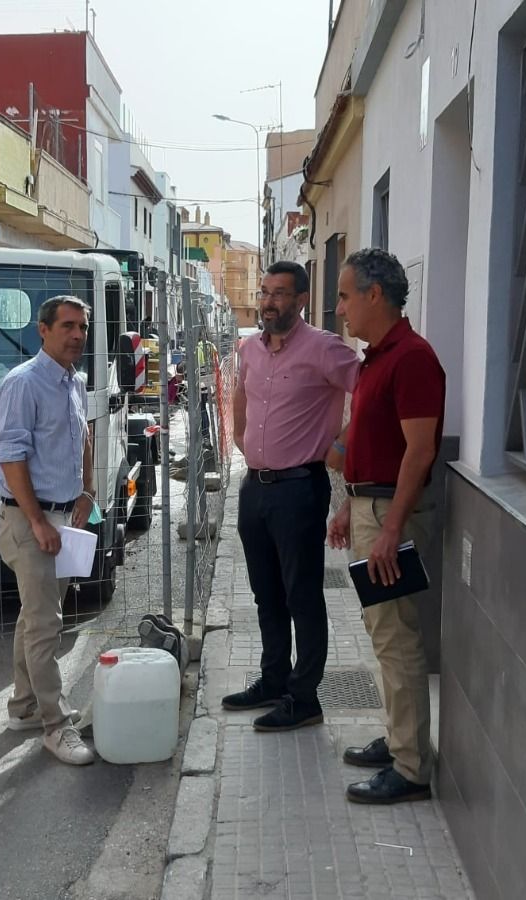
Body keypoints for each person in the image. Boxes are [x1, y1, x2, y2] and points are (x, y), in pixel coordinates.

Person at [326, 248, 445, 804]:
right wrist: (350, 503)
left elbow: (419, 453)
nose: (340, 307)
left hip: (390, 519)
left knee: (397, 641)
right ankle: (402, 739)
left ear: (376, 295)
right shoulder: (377, 358)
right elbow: (374, 445)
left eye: (346, 295)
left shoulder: (413, 358)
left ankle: (411, 766)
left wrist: (392, 527)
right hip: (370, 509)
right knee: (384, 635)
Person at [221, 261, 360, 730]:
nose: (268, 302)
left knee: (302, 595)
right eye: (264, 292)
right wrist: (243, 440)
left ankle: (305, 699)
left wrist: (341, 443)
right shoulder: (250, 349)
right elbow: (241, 394)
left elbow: (369, 393)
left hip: (300, 488)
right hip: (255, 488)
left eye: (279, 294)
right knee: (266, 593)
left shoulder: (325, 349)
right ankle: (274, 679)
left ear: (300, 299)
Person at [0, 295, 98, 766]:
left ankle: (24, 706)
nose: (77, 335)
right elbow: (11, 456)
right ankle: (56, 727)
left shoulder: (73, 381)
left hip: (63, 517)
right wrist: (37, 520)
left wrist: (87, 492)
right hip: (28, 520)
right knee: (46, 625)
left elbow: (85, 437)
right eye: (68, 326)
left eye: (83, 327)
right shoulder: (24, 384)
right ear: (43, 329)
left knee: (35, 617)